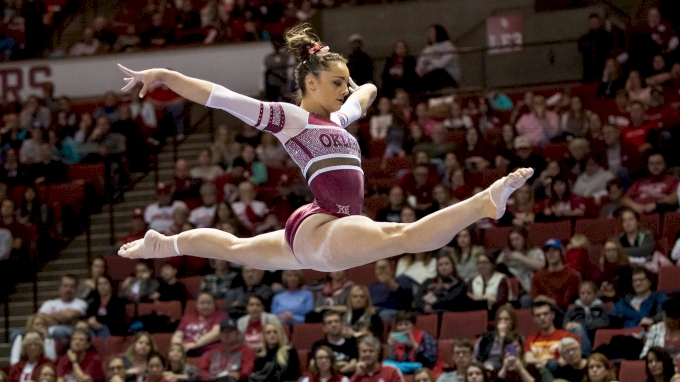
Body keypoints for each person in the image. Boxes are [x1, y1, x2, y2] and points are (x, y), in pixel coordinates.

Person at [117, 24, 533, 274]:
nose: (342, 90)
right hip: (327, 223)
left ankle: (165, 245)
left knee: (235, 249)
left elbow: (367, 93)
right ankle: (483, 203)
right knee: (401, 236)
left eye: (343, 83)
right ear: (310, 83)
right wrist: (167, 74)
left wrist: (355, 85)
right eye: (335, 82)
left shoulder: (337, 119)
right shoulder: (291, 119)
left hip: (322, 227)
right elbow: (222, 97)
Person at [496, 228, 545, 307]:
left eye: (517, 239)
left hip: (529, 288)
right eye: (512, 240)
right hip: (512, 288)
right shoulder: (507, 253)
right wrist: (504, 260)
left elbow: (541, 267)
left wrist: (521, 257)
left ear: (524, 238)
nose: (515, 242)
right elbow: (496, 268)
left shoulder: (535, 251)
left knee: (525, 300)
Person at [530, 239, 581, 310]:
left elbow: (567, 302)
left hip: (565, 311)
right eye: (548, 251)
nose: (551, 254)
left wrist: (550, 301)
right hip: (544, 312)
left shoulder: (572, 275)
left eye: (554, 250)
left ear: (561, 252)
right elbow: (536, 299)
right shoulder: (538, 276)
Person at [172, 291, 228, 356]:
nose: (205, 306)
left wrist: (195, 344)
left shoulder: (220, 315)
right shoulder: (187, 318)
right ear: (196, 305)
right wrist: (178, 347)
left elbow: (216, 333)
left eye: (209, 303)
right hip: (186, 350)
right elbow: (178, 334)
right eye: (202, 303)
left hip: (208, 350)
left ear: (214, 304)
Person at [563, 281, 609, 356]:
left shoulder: (601, 308)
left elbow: (605, 322)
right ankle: (586, 356)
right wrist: (569, 326)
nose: (585, 296)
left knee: (579, 328)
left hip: (594, 335)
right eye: (583, 293)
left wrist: (581, 325)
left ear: (595, 294)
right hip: (576, 336)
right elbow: (565, 325)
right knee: (578, 330)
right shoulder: (573, 309)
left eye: (589, 293)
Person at [523, 301, 572, 368]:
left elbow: (563, 361)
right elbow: (528, 359)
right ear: (534, 319)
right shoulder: (530, 339)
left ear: (553, 315)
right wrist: (548, 362)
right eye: (538, 315)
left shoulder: (565, 336)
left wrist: (541, 362)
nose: (542, 318)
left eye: (545, 314)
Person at [38, 275, 87, 340]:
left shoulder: (81, 303)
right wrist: (63, 319)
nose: (68, 289)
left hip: (69, 334)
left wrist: (51, 317)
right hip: (46, 333)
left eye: (72, 286)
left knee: (59, 331)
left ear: (76, 289)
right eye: (65, 286)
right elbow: (39, 317)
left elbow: (69, 315)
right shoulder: (49, 303)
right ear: (60, 287)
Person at [311, 311, 359, 375]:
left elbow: (354, 365)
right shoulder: (318, 345)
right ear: (324, 328)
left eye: (336, 321)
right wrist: (342, 365)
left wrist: (329, 368)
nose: (334, 325)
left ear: (342, 324)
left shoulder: (352, 342)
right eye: (329, 322)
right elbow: (312, 365)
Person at [474, 304, 518, 371]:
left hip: (507, 368)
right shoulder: (486, 337)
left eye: (506, 319)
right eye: (500, 319)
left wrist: (502, 337)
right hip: (486, 368)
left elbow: (507, 356)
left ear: (512, 321)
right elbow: (475, 357)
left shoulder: (517, 338)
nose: (502, 322)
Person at [416, 24, 460, 91]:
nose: (430, 35)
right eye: (429, 33)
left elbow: (441, 64)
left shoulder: (449, 47)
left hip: (448, 75)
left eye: (432, 33)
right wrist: (421, 70)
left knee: (437, 73)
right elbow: (421, 61)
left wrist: (429, 63)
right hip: (431, 73)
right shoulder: (428, 48)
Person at [640, 296, 680, 360]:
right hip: (658, 367)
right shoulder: (655, 329)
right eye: (666, 316)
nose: (668, 320)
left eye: (672, 318)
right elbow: (644, 354)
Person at [577, 14, 614, 83]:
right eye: (592, 22)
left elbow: (610, 51)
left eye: (596, 22)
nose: (594, 24)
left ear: (599, 23)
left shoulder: (607, 37)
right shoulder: (584, 38)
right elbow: (581, 50)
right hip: (589, 69)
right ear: (589, 24)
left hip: (603, 67)